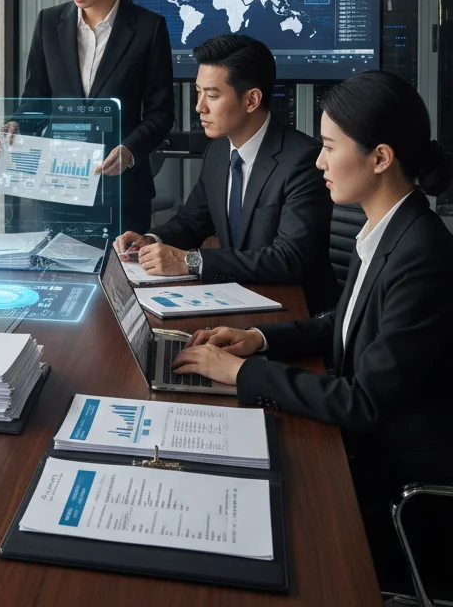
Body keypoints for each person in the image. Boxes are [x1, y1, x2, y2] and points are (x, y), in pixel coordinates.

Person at [173, 70, 453, 592]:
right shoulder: (387, 229)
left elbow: (364, 402)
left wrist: (244, 374)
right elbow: (343, 325)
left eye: (328, 147)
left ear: (380, 157)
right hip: (359, 447)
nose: (319, 161)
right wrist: (260, 339)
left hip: (391, 483)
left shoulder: (423, 255)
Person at [116, 33, 337, 313]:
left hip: (296, 311)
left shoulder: (303, 160)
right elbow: (192, 221)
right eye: (198, 92)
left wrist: (191, 261)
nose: (199, 107)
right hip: (237, 299)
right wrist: (150, 241)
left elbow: (289, 259)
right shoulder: (219, 151)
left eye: (212, 95)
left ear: (252, 100)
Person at [3, 0, 174, 235]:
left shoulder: (148, 28)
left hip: (121, 190)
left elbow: (161, 112)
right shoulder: (48, 23)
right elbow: (35, 98)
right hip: (59, 185)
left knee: (119, 278)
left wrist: (130, 150)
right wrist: (16, 125)